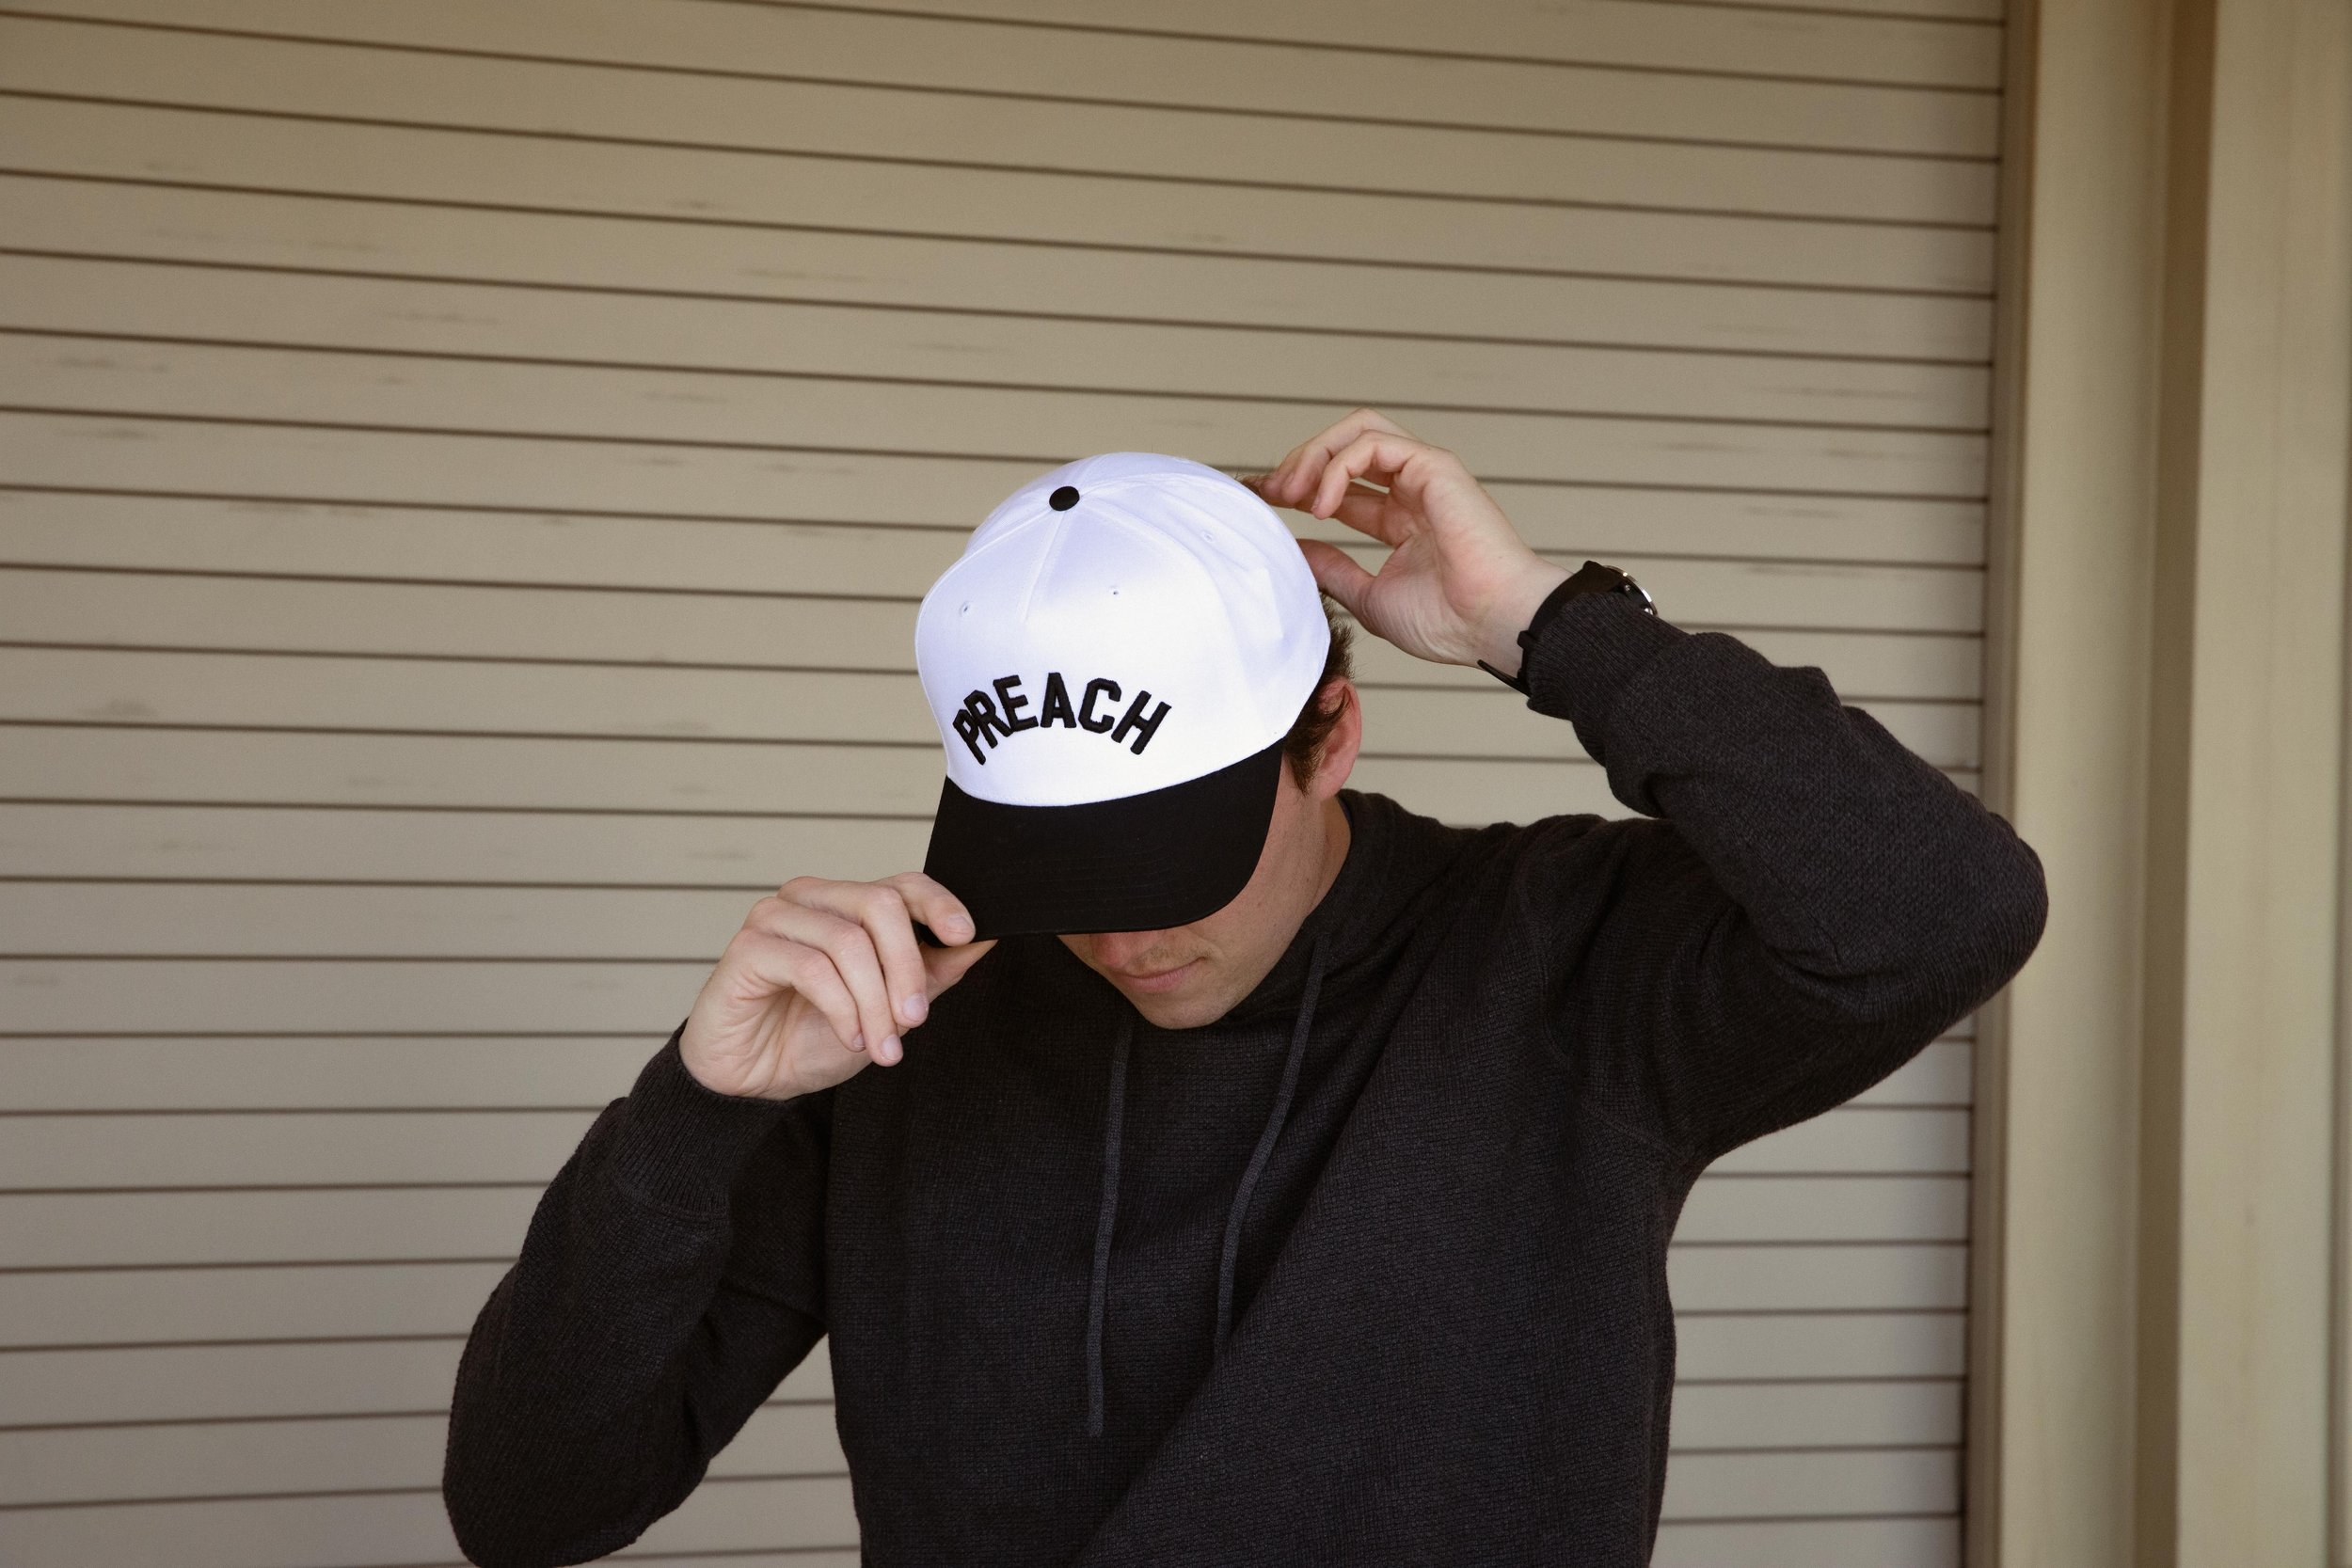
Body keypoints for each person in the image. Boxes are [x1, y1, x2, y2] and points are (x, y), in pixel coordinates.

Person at [443, 410, 2046, 1567]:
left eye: (1171, 862)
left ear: (1328, 735)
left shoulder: (1560, 961)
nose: (1120, 935)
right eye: (1066, 869)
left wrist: (1552, 627)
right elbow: (531, 1508)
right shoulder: (904, 1028)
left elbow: (1946, 909)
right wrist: (695, 1110)